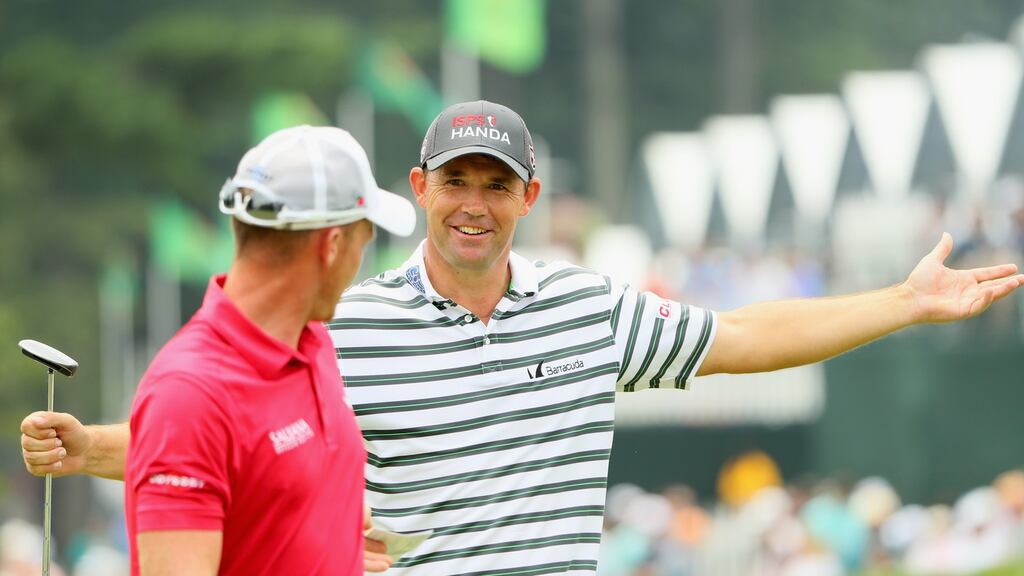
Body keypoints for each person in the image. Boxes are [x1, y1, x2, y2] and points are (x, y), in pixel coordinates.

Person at [21, 101, 1024, 575]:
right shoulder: (346, 324)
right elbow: (220, 439)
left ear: (528, 198)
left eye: (495, 185)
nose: (474, 203)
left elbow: (747, 333)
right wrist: (91, 447)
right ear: (419, 190)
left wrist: (903, 302)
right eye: (455, 181)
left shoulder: (587, 306)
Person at [49, 125, 414, 575]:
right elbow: (195, 432)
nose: (361, 261)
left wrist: (328, 532)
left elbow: (246, 461)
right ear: (332, 245)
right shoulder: (190, 392)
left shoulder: (313, 341)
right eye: (364, 241)